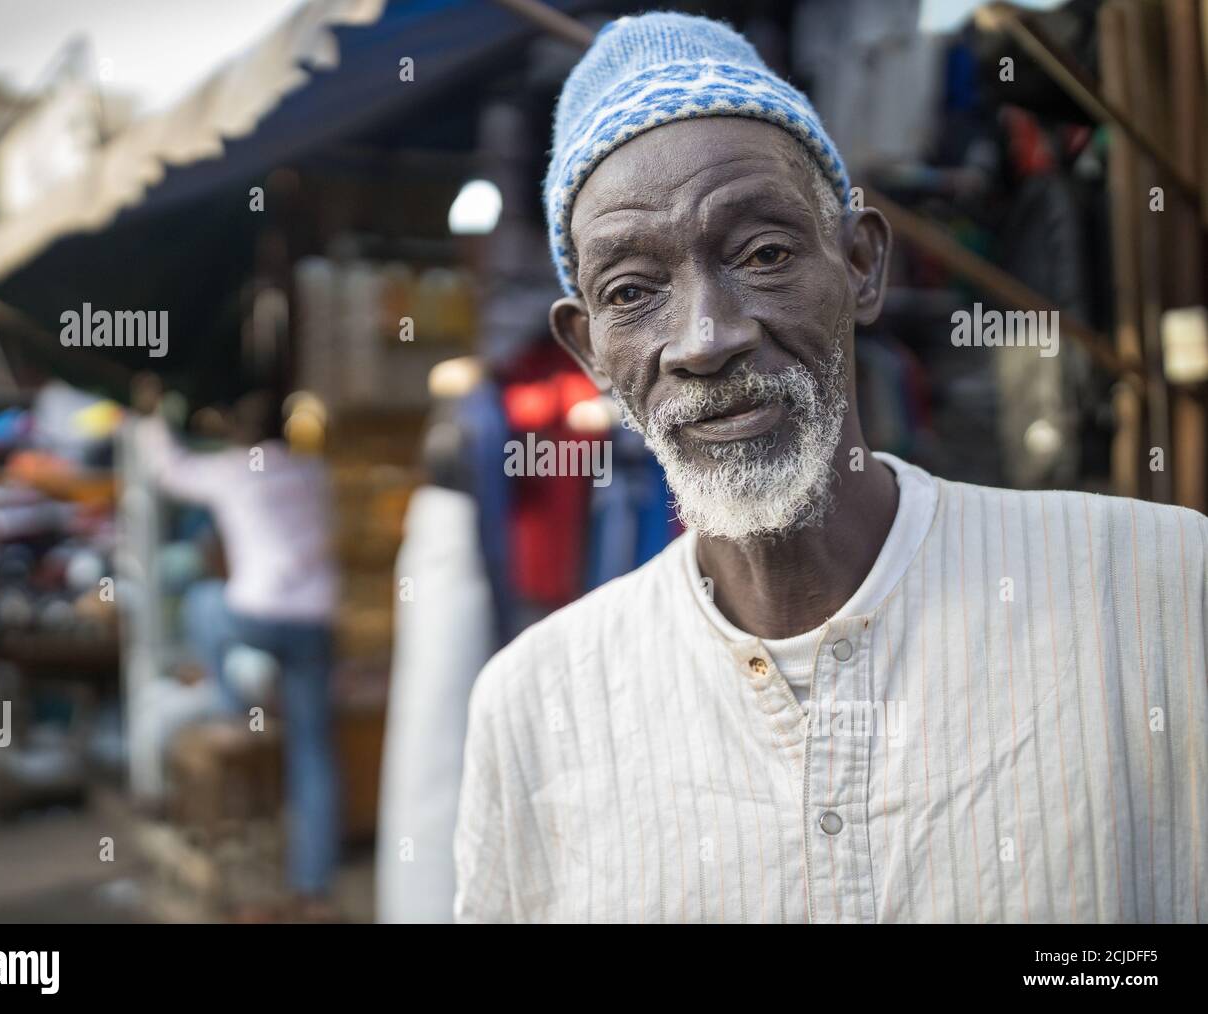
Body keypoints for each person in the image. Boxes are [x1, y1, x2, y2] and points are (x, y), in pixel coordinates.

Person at [453, 12, 1208, 923]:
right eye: (632, 292)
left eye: (763, 254)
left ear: (860, 264)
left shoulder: (1159, 595)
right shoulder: (534, 708)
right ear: (589, 350)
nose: (706, 338)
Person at [133, 379, 342, 918]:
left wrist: (151, 411)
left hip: (258, 617)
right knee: (314, 753)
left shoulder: (234, 470)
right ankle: (313, 886)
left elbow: (168, 470)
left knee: (204, 600)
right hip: (315, 622)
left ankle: (229, 705)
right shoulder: (312, 471)